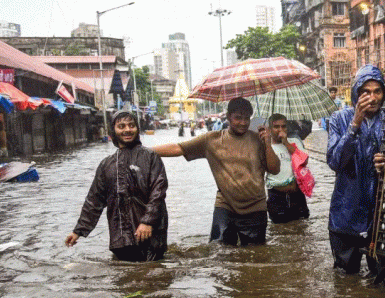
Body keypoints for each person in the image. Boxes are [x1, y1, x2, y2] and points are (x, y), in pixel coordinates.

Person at [152, 98, 280, 245]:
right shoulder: (211, 140)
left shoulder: (259, 140)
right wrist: (143, 150)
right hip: (225, 206)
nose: (243, 122)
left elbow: (274, 170)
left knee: (255, 254)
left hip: (255, 207)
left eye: (247, 118)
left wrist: (268, 144)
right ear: (228, 117)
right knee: (218, 252)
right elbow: (179, 148)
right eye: (238, 117)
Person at [65, 111, 168, 261]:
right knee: (123, 276)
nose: (127, 130)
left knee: (153, 274)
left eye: (131, 125)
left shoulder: (151, 157)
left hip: (150, 234)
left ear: (137, 129)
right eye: (121, 126)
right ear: (113, 130)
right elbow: (94, 200)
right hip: (120, 237)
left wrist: (147, 221)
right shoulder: (106, 165)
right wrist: (78, 231)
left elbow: (158, 192)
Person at [327, 65, 385, 276]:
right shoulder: (339, 119)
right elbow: (335, 161)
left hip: (380, 219)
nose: (372, 97)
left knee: (383, 280)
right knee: (345, 283)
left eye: (377, 91)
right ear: (356, 94)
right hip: (345, 216)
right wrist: (355, 124)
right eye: (366, 92)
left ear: (384, 94)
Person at [266, 113, 310, 223]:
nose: (280, 129)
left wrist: (286, 143)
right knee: (280, 231)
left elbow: (304, 162)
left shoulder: (295, 141)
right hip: (277, 197)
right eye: (276, 127)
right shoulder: (266, 147)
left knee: (303, 228)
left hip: (297, 196)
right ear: (270, 129)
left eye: (283, 126)